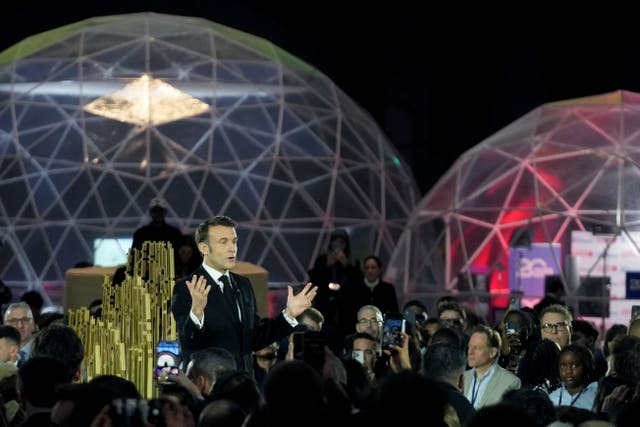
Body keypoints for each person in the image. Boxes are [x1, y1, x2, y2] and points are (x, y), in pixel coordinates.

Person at [171, 215, 317, 373]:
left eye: (234, 241)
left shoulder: (243, 285)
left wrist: (288, 314)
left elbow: (254, 338)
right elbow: (189, 340)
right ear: (204, 248)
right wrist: (196, 313)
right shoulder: (187, 287)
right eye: (223, 242)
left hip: (244, 386)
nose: (232, 248)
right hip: (210, 388)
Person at [464, 325, 521, 409]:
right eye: (470, 347)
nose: (470, 352)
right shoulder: (461, 378)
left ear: (492, 352)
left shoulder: (511, 382)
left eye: (477, 348)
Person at [131, 197, 183, 267]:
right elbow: (134, 256)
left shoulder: (175, 233)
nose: (157, 213)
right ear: (150, 212)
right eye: (154, 210)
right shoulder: (140, 233)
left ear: (165, 212)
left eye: (160, 210)